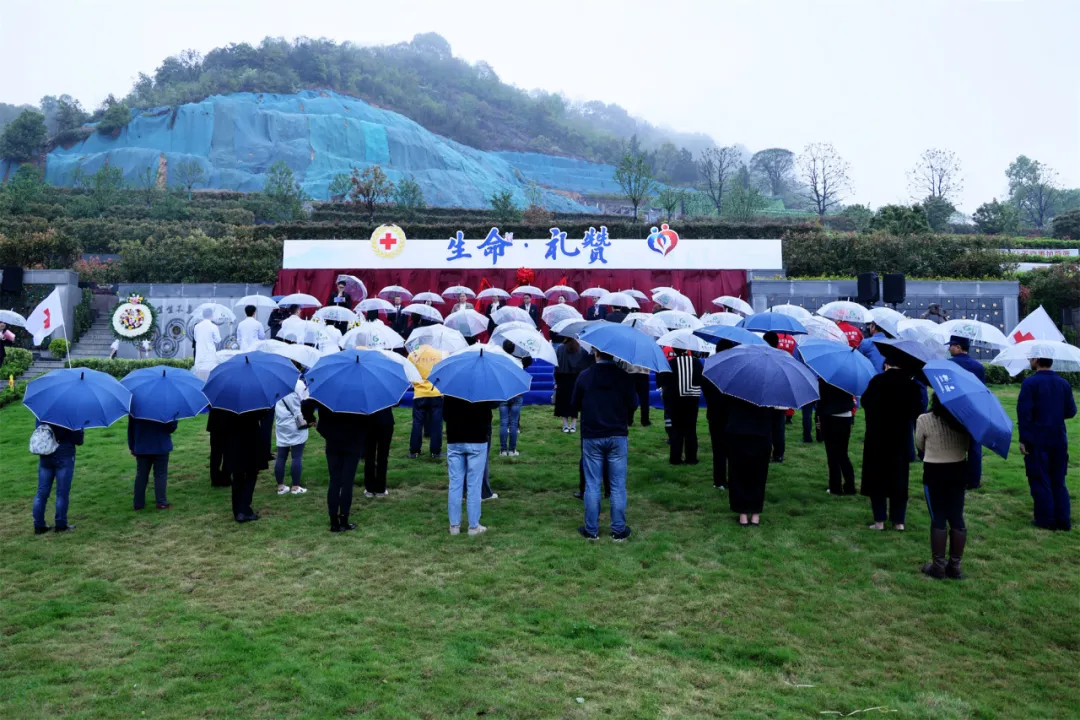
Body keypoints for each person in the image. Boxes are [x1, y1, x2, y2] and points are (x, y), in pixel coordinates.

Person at [572, 350, 636, 541]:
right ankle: (618, 530)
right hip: (617, 434)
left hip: (592, 435)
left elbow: (574, 404)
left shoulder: (585, 376)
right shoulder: (624, 376)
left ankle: (591, 530)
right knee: (617, 484)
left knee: (592, 484)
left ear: (596, 354)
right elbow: (633, 403)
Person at [860, 362, 925, 531]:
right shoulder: (911, 385)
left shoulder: (877, 381)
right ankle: (899, 521)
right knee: (900, 479)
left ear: (887, 364)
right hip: (900, 438)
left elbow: (865, 402)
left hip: (877, 437)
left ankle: (879, 521)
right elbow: (917, 411)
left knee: (877, 477)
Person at [1018, 357, 1077, 531]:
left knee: (1039, 478)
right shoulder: (1063, 383)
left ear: (1037, 359)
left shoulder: (1030, 383)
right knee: (1058, 479)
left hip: (1037, 438)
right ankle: (1063, 519)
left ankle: (1045, 519)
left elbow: (1024, 414)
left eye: (1031, 357)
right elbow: (1071, 411)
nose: (1029, 360)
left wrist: (1024, 439)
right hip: (1058, 437)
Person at [916, 395, 971, 579]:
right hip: (958, 470)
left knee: (938, 517)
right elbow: (967, 445)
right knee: (956, 516)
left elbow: (919, 444)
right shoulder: (964, 419)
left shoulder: (924, 419)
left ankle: (938, 567)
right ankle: (955, 566)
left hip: (934, 472)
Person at [444, 395, 497, 535]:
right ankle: (473, 526)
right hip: (477, 439)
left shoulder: (451, 391)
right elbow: (489, 412)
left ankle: (454, 526)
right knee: (474, 484)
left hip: (455, 439)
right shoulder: (483, 389)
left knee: (455, 483)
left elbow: (445, 415)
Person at [314, 402, 365, 532]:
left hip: (333, 440)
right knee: (347, 482)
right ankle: (343, 519)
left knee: (335, 480)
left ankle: (334, 522)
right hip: (352, 440)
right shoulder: (358, 396)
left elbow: (307, 404)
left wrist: (317, 424)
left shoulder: (327, 395)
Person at [725, 396, 774, 526]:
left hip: (737, 432)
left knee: (738, 474)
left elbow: (725, 407)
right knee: (759, 475)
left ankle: (743, 514)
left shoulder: (735, 389)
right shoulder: (768, 389)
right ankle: (755, 514)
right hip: (761, 434)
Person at [947, 335, 986, 490]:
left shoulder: (948, 364)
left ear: (958, 347)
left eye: (951, 345)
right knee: (974, 447)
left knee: (951, 445)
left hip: (953, 409)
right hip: (973, 410)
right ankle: (973, 481)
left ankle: (954, 479)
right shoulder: (978, 367)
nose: (949, 348)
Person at [31, 422, 84, 534]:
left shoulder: (44, 414)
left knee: (41, 493)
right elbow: (79, 440)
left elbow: (39, 430)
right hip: (65, 454)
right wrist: (80, 429)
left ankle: (39, 526)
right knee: (62, 493)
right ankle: (60, 525)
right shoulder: (72, 416)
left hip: (46, 455)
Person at [702, 341, 734, 490]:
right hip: (731, 414)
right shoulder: (735, 368)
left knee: (718, 449)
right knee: (732, 449)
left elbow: (705, 388)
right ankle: (729, 480)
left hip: (715, 413)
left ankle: (719, 480)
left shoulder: (709, 367)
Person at [127, 416, 178, 510]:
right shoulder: (166, 408)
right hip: (161, 446)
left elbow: (131, 428)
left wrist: (132, 446)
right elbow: (171, 428)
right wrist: (174, 419)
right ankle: (161, 503)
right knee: (160, 475)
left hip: (142, 447)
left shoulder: (135, 408)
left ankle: (138, 504)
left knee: (141, 475)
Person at [816, 379, 856, 495]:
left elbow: (821, 400)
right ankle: (850, 486)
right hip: (845, 415)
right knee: (843, 453)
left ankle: (835, 487)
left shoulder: (825, 379)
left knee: (832, 454)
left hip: (831, 416)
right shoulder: (848, 377)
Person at [663, 348, 702, 465]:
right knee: (691, 430)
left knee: (676, 430)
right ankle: (691, 458)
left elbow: (664, 381)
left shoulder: (671, 363)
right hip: (692, 400)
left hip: (675, 400)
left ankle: (675, 458)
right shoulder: (696, 362)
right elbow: (702, 379)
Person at [408, 344, 447, 458]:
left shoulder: (412, 355)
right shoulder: (441, 354)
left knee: (417, 423)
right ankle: (435, 452)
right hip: (436, 392)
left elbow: (408, 374)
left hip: (419, 394)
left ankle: (414, 451)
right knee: (436, 424)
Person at [225, 411, 264, 523]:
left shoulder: (226, 407)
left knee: (238, 476)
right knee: (250, 474)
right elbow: (261, 415)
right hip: (249, 441)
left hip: (234, 441)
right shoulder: (253, 407)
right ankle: (243, 509)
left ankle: (238, 509)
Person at [274, 377, 310, 496]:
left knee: (281, 456)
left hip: (281, 424)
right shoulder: (299, 384)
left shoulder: (274, 383)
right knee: (296, 456)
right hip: (296, 422)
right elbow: (306, 401)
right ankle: (295, 487)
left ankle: (280, 487)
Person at [498, 340, 531, 456]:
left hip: (504, 394)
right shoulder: (519, 362)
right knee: (513, 423)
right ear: (514, 348)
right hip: (517, 393)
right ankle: (512, 450)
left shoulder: (500, 362)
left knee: (503, 423)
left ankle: (503, 450)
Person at [555, 338, 593, 433]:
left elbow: (556, 365)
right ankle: (573, 425)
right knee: (575, 401)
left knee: (563, 402)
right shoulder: (581, 349)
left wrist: (556, 380)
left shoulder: (560, 348)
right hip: (577, 378)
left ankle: (565, 425)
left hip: (563, 378)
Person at [762, 332, 788, 463]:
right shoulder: (785, 356)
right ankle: (779, 454)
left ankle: (766, 453)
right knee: (779, 428)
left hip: (767, 398)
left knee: (766, 428)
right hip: (781, 398)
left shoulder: (763, 356)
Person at [363, 407, 394, 497]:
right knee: (382, 456)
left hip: (368, 421)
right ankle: (380, 489)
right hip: (385, 421)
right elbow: (397, 403)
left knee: (369, 455)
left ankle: (370, 488)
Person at [192, 308, 221, 380]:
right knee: (210, 377)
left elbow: (196, 338)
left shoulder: (197, 326)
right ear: (212, 315)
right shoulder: (213, 326)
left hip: (199, 355)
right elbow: (218, 340)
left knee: (199, 378)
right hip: (210, 355)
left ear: (203, 315)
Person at [206, 407, 232, 487]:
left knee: (216, 453)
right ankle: (225, 478)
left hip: (216, 422)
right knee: (227, 452)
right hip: (228, 423)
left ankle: (216, 478)